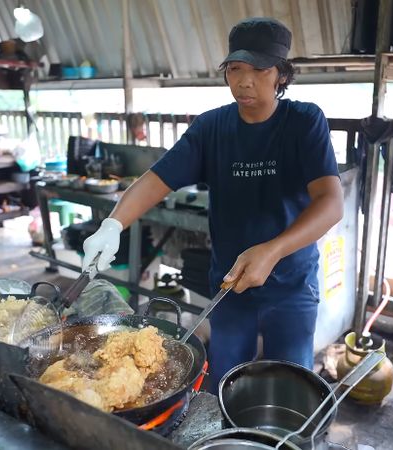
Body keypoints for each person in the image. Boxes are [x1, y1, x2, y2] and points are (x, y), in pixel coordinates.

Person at [81, 17, 344, 390]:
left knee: (292, 383)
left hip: (291, 284)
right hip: (230, 285)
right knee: (223, 381)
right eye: (236, 68)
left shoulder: (304, 122)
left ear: (281, 75)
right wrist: (113, 224)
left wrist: (272, 251)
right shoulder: (211, 128)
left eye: (259, 69)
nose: (244, 80)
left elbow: (331, 203)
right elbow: (155, 180)